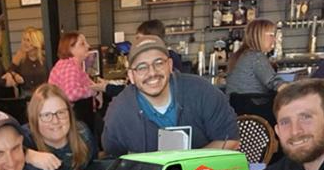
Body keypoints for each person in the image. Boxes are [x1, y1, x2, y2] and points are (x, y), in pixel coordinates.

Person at [102, 35, 240, 158]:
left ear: (169, 65)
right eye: (142, 67)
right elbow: (114, 157)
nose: (152, 73)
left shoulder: (202, 91)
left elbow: (230, 141)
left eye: (158, 63)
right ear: (131, 76)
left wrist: (186, 167)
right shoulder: (118, 112)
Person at [22, 83, 105, 170]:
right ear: (35, 119)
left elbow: (95, 163)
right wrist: (26, 154)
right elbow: (1, 155)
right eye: (46, 115)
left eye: (61, 113)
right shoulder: (25, 137)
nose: (55, 121)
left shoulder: (82, 133)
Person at [48, 31, 108, 132]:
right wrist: (94, 92)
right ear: (70, 48)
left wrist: (96, 89)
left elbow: (87, 82)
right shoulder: (70, 67)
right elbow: (71, 93)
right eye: (82, 43)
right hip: (74, 119)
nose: (88, 46)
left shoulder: (70, 65)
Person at [225, 19, 287, 96]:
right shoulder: (256, 57)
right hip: (254, 106)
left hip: (234, 107)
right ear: (259, 35)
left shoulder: (238, 56)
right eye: (271, 35)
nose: (274, 39)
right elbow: (274, 83)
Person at [7, 27, 48, 95]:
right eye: (24, 39)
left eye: (28, 40)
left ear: (35, 42)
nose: (25, 43)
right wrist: (16, 75)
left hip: (42, 94)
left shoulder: (44, 58)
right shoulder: (20, 56)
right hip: (25, 94)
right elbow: (10, 70)